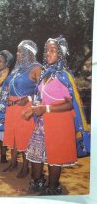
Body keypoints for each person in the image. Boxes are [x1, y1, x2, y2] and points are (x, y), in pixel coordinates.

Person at [23, 36, 90, 195]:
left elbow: (68, 103)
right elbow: (41, 97)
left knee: (55, 156)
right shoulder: (46, 73)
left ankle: (53, 188)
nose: (48, 53)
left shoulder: (64, 76)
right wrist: (33, 108)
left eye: (53, 50)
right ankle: (37, 182)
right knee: (36, 153)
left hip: (59, 122)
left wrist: (45, 109)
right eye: (47, 50)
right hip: (42, 122)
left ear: (60, 53)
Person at [1, 40, 42, 178]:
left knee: (24, 137)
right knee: (13, 137)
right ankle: (13, 163)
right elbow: (7, 85)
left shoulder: (36, 68)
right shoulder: (18, 68)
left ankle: (25, 167)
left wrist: (29, 99)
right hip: (11, 108)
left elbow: (43, 91)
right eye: (17, 51)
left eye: (20, 51)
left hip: (24, 109)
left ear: (28, 53)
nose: (17, 54)